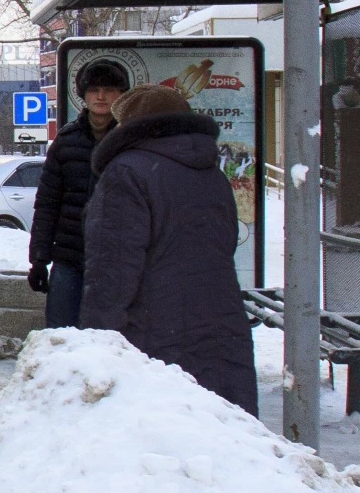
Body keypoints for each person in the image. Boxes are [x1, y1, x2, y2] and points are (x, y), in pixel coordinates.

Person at [78, 84, 258, 416]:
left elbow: (112, 269)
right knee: (221, 440)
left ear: (130, 126)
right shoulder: (212, 175)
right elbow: (225, 241)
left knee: (160, 445)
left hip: (153, 332)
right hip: (220, 325)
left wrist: (97, 344)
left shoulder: (126, 173)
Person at [27, 59, 130, 328]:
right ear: (83, 95)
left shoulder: (132, 141)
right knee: (61, 338)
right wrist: (39, 259)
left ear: (121, 94)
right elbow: (47, 203)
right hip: (69, 259)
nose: (101, 96)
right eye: (94, 89)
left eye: (109, 89)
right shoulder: (66, 141)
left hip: (118, 261)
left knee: (114, 343)